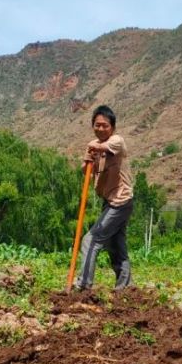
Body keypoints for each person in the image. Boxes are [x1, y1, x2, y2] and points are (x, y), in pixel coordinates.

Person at [73, 105, 133, 291]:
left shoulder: (117, 141)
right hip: (109, 200)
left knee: (91, 240)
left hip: (121, 201)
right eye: (97, 125)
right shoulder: (93, 146)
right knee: (115, 245)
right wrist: (87, 161)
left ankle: (84, 285)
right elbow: (86, 170)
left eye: (104, 125)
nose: (100, 129)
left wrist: (93, 148)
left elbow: (102, 147)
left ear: (112, 127)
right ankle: (125, 288)